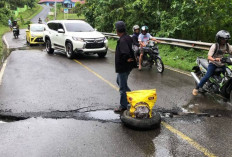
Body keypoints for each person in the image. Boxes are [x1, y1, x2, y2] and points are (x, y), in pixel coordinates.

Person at [192, 30, 232, 95]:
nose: (224, 41)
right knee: (207, 76)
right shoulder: (215, 46)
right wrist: (216, 59)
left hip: (221, 64)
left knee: (228, 75)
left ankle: (223, 89)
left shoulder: (227, 45)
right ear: (219, 39)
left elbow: (231, 52)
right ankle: (196, 88)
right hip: (213, 63)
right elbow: (209, 57)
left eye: (226, 39)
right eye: (223, 39)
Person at [114, 21, 137, 113]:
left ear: (117, 30)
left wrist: (127, 58)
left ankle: (123, 106)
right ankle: (132, 96)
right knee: (119, 81)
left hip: (123, 67)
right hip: (127, 66)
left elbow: (126, 52)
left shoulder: (123, 40)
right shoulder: (128, 37)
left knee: (122, 87)